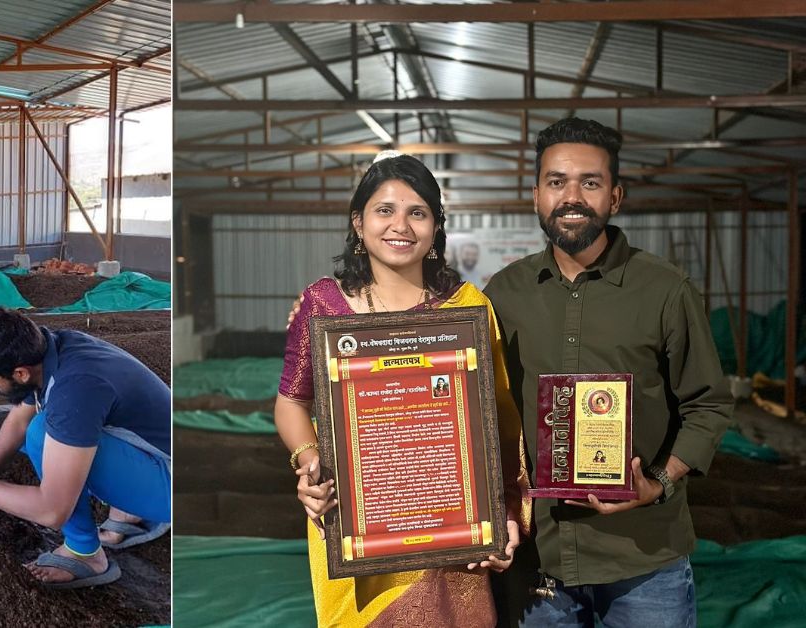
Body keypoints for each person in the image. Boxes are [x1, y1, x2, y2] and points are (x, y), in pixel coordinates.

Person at [483, 117, 733, 626]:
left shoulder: (665, 290)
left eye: (589, 183)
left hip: (644, 559)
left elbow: (707, 405)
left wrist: (659, 480)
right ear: (536, 195)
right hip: (539, 561)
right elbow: (469, 401)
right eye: (557, 182)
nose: (571, 196)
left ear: (615, 197)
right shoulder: (502, 294)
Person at [279, 152, 525, 626]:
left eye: (418, 212)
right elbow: (292, 401)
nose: (401, 226)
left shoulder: (469, 309)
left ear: (435, 227)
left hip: (451, 529)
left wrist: (505, 513)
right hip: (358, 522)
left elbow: (500, 422)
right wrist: (312, 466)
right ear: (359, 221)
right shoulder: (323, 305)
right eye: (385, 210)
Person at [0, 307, 170, 589]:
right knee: (39, 427)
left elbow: (52, 511)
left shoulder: (74, 390)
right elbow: (19, 419)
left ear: (19, 373)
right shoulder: (50, 348)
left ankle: (85, 555)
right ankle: (131, 510)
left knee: (42, 433)